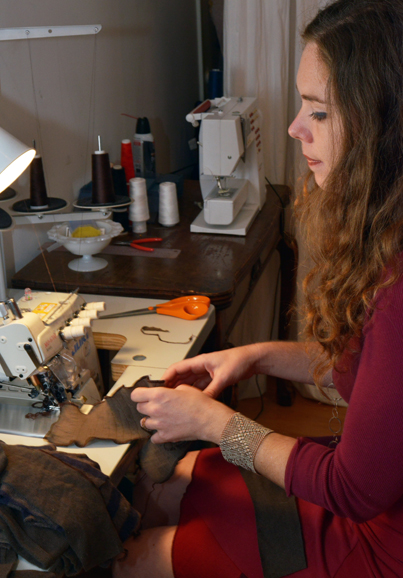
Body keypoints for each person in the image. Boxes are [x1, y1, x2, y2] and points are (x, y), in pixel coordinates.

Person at [113, 1, 403, 576]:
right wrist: (254, 358)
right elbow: (363, 369)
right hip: (368, 494)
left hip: (380, 542)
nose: (295, 127)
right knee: (169, 486)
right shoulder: (385, 232)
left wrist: (212, 423)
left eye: (317, 112)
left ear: (381, 123)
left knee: (137, 556)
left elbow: (353, 490)